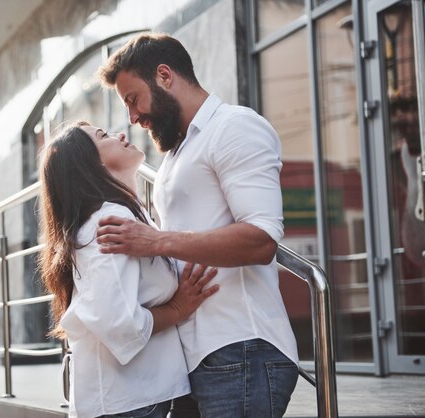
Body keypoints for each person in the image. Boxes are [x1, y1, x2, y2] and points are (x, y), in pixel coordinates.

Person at [96, 33, 299, 418]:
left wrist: (156, 242)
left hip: (241, 347)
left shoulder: (234, 127)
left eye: (132, 99)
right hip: (194, 356)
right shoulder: (177, 154)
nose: (132, 117)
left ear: (164, 75)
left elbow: (261, 241)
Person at [37, 121, 219, 418]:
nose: (120, 134)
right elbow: (116, 321)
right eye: (103, 136)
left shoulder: (123, 215)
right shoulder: (109, 220)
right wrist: (177, 309)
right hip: (124, 403)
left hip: (132, 398)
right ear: (90, 164)